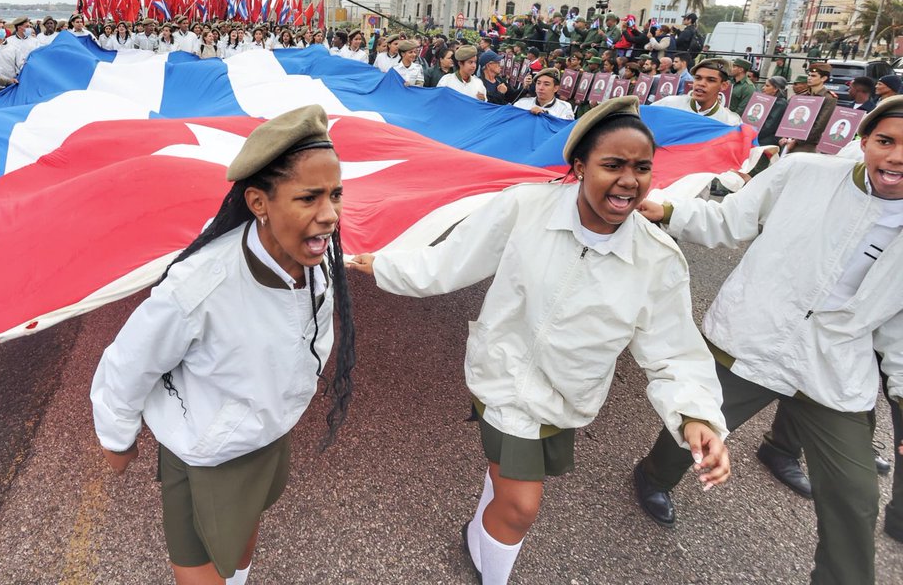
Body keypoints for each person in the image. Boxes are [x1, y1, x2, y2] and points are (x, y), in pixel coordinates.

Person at [348, 97, 729, 585]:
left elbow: (672, 349)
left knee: (504, 485)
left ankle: (480, 532)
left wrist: (695, 414)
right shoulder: (525, 206)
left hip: (567, 399)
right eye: (613, 164)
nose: (629, 180)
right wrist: (384, 265)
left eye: (642, 168)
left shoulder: (657, 259)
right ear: (579, 166)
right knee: (520, 507)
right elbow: (450, 261)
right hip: (503, 379)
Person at [634, 95, 903, 584]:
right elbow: (730, 218)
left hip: (832, 369)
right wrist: (668, 209)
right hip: (752, 334)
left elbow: (899, 328)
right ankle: (652, 477)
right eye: (886, 141)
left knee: (856, 495)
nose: (897, 157)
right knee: (693, 428)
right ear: (864, 141)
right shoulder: (803, 172)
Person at [91, 105, 356, 585]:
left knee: (242, 537)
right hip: (207, 454)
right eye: (309, 197)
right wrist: (116, 437)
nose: (329, 214)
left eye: (336, 194)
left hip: (269, 434)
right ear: (258, 203)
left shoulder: (314, 260)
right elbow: (129, 361)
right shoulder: (200, 286)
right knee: (203, 561)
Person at [656, 58, 742, 126]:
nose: (701, 84)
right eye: (698, 78)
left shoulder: (731, 122)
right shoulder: (669, 104)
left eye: (711, 80)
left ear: (724, 85)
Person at [780, 62, 837, 154]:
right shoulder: (802, 96)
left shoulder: (829, 98)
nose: (809, 78)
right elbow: (788, 119)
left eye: (813, 76)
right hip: (789, 140)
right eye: (809, 75)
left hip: (807, 144)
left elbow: (819, 127)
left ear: (824, 78)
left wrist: (796, 141)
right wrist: (784, 136)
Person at [754, 76, 790, 147]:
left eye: (767, 86)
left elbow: (769, 126)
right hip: (761, 134)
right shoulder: (767, 101)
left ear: (776, 89)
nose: (763, 88)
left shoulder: (780, 104)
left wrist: (752, 134)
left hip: (769, 139)